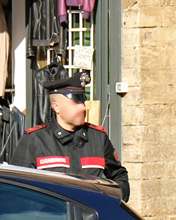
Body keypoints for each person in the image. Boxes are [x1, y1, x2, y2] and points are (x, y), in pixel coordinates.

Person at [10, 70, 130, 201]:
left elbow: (119, 176)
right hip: (53, 219)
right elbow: (17, 190)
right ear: (56, 107)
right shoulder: (34, 140)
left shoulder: (98, 138)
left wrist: (109, 202)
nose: (83, 108)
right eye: (76, 103)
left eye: (83, 102)